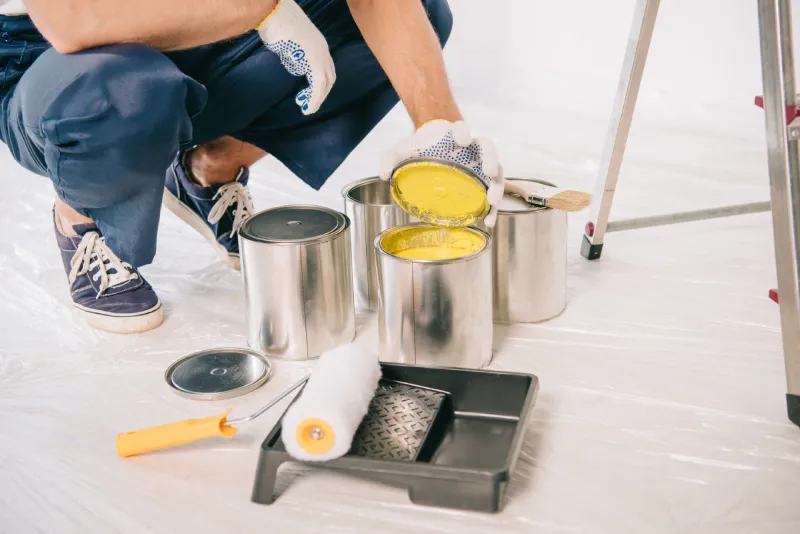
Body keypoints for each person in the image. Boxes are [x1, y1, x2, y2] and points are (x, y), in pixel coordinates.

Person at [0, 0, 504, 334]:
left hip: (193, 22)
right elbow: (77, 22)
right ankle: (81, 217)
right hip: (54, 60)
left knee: (420, 13)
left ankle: (208, 169)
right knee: (127, 89)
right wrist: (262, 10)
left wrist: (440, 127)